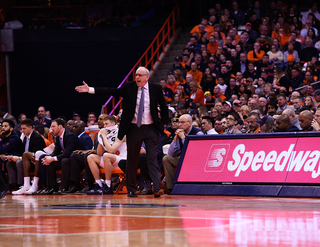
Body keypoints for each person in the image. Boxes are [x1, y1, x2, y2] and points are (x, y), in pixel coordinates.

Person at [75, 66, 169, 198]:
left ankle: (157, 188)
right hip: (134, 128)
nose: (137, 77)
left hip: (151, 128)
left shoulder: (155, 88)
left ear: (147, 77)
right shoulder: (129, 87)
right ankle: (131, 188)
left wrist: (164, 123)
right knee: (132, 159)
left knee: (152, 157)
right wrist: (90, 89)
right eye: (136, 75)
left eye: (140, 75)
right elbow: (111, 91)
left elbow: (163, 107)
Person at [38, 118, 85, 194]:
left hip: (78, 161)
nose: (51, 129)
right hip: (69, 159)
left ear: (60, 127)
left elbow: (68, 153)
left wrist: (52, 158)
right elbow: (55, 152)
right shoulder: (58, 137)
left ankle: (64, 187)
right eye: (51, 127)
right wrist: (48, 157)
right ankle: (52, 187)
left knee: (64, 160)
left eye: (53, 126)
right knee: (50, 163)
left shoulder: (70, 136)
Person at [162, 114, 204, 193]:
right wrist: (175, 139)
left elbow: (195, 152)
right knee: (166, 159)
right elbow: (171, 153)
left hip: (197, 160)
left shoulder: (198, 133)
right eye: (179, 122)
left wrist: (184, 138)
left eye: (182, 122)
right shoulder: (180, 132)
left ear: (190, 123)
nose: (179, 125)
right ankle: (171, 188)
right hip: (183, 159)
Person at [86, 115, 127, 195]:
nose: (104, 126)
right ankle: (99, 184)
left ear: (112, 123)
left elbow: (111, 150)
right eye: (104, 124)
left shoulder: (121, 132)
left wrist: (104, 136)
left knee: (107, 155)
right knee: (91, 157)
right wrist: (101, 137)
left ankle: (108, 186)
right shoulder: (105, 133)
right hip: (109, 160)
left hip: (121, 160)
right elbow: (99, 153)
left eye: (106, 124)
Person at [10, 119, 46, 195]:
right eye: (21, 128)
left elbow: (35, 155)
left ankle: (24, 184)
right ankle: (20, 185)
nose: (22, 130)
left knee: (19, 162)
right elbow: (23, 152)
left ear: (30, 127)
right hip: (27, 161)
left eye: (24, 128)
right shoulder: (25, 138)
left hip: (36, 163)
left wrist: (19, 158)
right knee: (10, 163)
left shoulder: (37, 138)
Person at [0, 119, 22, 191]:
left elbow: (3, 150)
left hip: (16, 158)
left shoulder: (14, 138)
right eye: (2, 126)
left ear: (11, 128)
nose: (3, 128)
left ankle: (4, 186)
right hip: (7, 158)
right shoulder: (4, 138)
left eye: (5, 126)